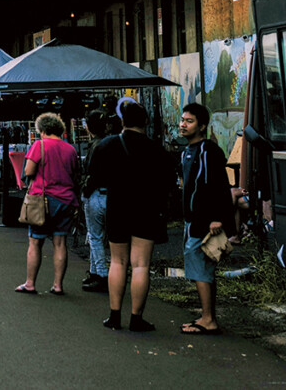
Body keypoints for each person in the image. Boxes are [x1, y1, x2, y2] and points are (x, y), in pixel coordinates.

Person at [99, 101, 172, 332]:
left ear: (123, 121)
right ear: (146, 122)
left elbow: (96, 175)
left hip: (117, 208)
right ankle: (136, 318)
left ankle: (114, 316)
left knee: (117, 262)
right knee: (140, 265)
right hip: (146, 210)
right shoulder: (156, 148)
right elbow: (167, 183)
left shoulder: (108, 145)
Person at [179, 102, 233, 336]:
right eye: (182, 120)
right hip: (192, 221)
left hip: (205, 222)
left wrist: (216, 218)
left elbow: (219, 187)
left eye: (189, 121)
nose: (183, 124)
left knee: (201, 269)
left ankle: (209, 319)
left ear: (202, 126)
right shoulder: (186, 152)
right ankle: (207, 315)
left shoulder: (209, 151)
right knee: (203, 270)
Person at [15, 112, 80, 295]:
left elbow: (28, 171)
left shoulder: (39, 145)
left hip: (42, 200)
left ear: (42, 131)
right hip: (66, 200)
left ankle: (30, 283)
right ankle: (58, 285)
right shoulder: (71, 149)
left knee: (35, 242)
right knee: (60, 242)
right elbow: (75, 175)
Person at [79, 110, 110, 293]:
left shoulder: (95, 146)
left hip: (96, 194)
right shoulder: (113, 142)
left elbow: (91, 173)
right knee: (102, 236)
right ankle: (94, 271)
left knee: (95, 236)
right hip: (111, 194)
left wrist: (85, 191)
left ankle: (101, 274)